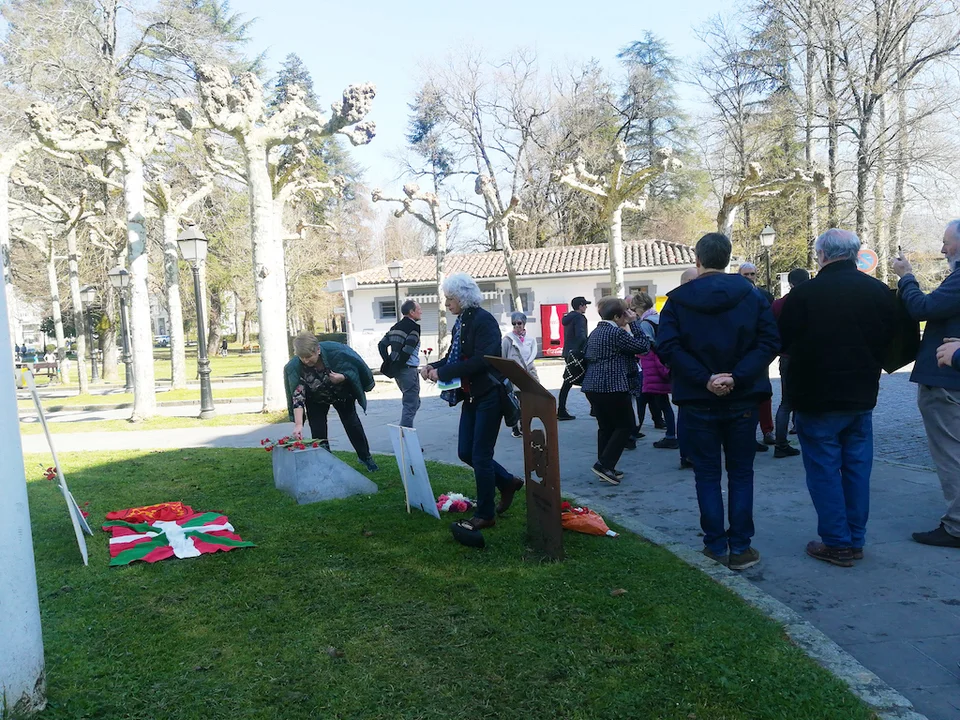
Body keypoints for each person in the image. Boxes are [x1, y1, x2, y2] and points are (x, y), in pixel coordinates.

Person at [658, 233, 779, 571]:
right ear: (728, 259)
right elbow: (769, 342)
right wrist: (736, 377)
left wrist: (705, 379)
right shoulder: (752, 296)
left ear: (698, 260)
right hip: (742, 398)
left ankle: (715, 545)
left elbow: (668, 347)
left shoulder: (677, 301)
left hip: (698, 398)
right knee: (741, 473)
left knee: (707, 474)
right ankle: (740, 547)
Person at [780, 230, 895, 565]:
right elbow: (891, 339)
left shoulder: (805, 294)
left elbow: (783, 341)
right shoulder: (877, 290)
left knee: (824, 471)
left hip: (816, 397)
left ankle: (836, 542)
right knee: (857, 470)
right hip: (861, 395)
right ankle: (855, 539)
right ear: (855, 254)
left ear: (822, 255)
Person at [422, 273, 522, 530]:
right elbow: (454, 357)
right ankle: (507, 481)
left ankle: (486, 514)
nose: (446, 303)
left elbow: (482, 360)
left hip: (490, 395)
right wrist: (433, 366)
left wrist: (443, 372)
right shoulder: (462, 321)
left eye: (450, 298)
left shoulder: (483, 320)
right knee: (466, 452)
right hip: (472, 396)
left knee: (480, 456)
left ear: (463, 298)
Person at [893, 220, 960, 549]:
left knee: (951, 454)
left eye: (946, 242)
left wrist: (906, 277)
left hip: (946, 382)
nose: (942, 249)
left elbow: (923, 307)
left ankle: (957, 526)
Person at [284, 332, 378, 472]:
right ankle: (325, 463)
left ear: (318, 350)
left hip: (341, 393)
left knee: (352, 424)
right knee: (318, 429)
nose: (306, 361)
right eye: (302, 357)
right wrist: (298, 425)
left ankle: (365, 457)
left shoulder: (337, 352)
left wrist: (343, 377)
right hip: (315, 398)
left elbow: (354, 369)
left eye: (309, 357)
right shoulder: (295, 367)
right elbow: (298, 395)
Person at [581, 297, 652, 485]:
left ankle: (606, 466)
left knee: (606, 427)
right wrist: (634, 323)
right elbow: (643, 347)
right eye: (624, 314)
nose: (627, 316)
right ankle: (604, 465)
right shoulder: (615, 333)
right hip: (613, 386)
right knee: (626, 425)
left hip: (592, 386)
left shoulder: (596, 332)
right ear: (616, 316)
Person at [770, 268, 809, 458]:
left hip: (786, 356)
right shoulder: (814, 300)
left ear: (790, 283)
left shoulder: (779, 304)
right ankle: (809, 439)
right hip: (810, 356)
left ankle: (780, 443)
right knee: (808, 400)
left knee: (786, 402)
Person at [633, 292, 678, 449]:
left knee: (642, 400)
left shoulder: (645, 323)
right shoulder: (658, 318)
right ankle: (670, 434)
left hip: (651, 367)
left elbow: (645, 345)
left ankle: (632, 435)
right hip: (663, 365)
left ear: (639, 307)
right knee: (662, 401)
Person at [739, 262, 775, 450]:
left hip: (759, 351)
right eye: (746, 274)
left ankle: (767, 430)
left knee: (763, 392)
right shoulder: (734, 295)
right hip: (740, 352)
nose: (749, 277)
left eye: (752, 274)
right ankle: (747, 436)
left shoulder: (765, 296)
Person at [377, 299, 423, 428]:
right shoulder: (414, 328)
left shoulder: (395, 327)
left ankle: (404, 432)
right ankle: (404, 436)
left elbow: (381, 345)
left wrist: (389, 361)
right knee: (411, 405)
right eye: (419, 309)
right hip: (408, 370)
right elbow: (408, 350)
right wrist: (397, 364)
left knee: (414, 402)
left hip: (399, 371)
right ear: (412, 312)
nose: (421, 312)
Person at [676, 266, 699, 470]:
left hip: (693, 367)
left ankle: (691, 453)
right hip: (686, 368)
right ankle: (688, 454)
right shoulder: (677, 305)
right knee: (687, 413)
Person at [501, 311, 538, 438]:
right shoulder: (507, 339)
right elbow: (503, 357)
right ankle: (515, 427)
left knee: (528, 402)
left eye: (519, 323)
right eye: (514, 323)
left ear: (524, 323)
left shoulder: (531, 340)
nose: (517, 326)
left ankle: (525, 426)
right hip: (514, 375)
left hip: (528, 375)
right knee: (515, 402)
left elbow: (532, 357)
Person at [558, 296, 590, 420]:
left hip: (568, 352)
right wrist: (586, 347)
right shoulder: (580, 318)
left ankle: (561, 409)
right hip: (577, 353)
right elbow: (581, 336)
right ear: (580, 306)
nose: (586, 307)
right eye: (585, 305)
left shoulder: (568, 318)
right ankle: (561, 410)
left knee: (570, 381)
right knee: (583, 379)